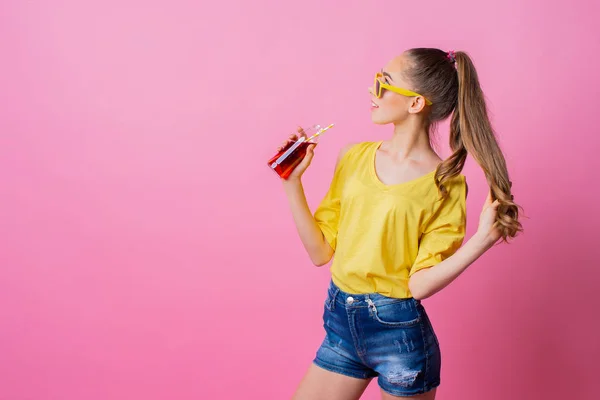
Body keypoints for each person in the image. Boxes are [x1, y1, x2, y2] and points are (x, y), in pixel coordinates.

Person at [280, 48, 523, 400]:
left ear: (415, 104)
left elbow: (420, 285)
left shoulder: (446, 184)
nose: (372, 90)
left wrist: (482, 240)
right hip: (340, 326)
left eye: (384, 83)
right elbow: (320, 252)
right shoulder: (354, 156)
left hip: (399, 337)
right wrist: (292, 183)